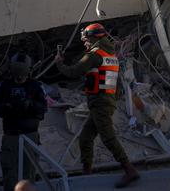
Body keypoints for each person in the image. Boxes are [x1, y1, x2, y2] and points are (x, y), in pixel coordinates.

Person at [55, 23, 140, 188]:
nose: (85, 42)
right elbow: (113, 86)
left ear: (93, 38)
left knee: (108, 138)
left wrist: (59, 63)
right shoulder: (110, 55)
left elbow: (72, 72)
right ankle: (87, 173)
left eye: (86, 39)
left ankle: (130, 171)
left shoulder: (94, 56)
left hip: (100, 104)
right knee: (86, 138)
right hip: (105, 102)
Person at [0, 53, 47, 191]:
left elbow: (43, 108)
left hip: (29, 134)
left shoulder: (35, 86)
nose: (20, 78)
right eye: (18, 74)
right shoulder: (4, 86)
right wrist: (8, 107)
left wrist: (30, 106)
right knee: (10, 172)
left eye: (22, 74)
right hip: (11, 135)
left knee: (29, 172)